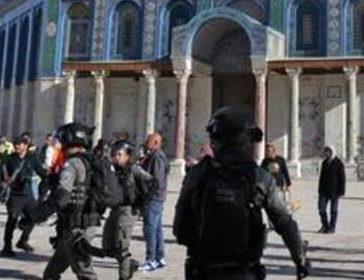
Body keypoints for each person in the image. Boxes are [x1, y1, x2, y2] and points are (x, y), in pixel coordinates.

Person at [173, 107, 309, 279]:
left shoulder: (198, 174)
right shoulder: (260, 178)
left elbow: (179, 229)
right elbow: (284, 222)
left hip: (203, 271)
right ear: (246, 142)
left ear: (216, 140)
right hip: (244, 271)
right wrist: (300, 259)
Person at [35, 122, 100, 280]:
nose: (60, 143)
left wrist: (35, 215)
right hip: (85, 220)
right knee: (52, 271)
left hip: (76, 226)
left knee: (84, 271)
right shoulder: (90, 160)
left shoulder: (72, 163)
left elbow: (62, 198)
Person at [99, 141, 152, 280]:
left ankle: (124, 276)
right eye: (114, 154)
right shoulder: (111, 169)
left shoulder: (134, 169)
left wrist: (143, 201)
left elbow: (152, 181)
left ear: (128, 156)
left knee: (121, 245)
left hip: (129, 210)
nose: (116, 157)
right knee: (108, 246)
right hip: (115, 208)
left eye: (119, 154)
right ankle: (131, 265)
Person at [0, 135, 42, 257]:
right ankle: (7, 247)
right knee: (12, 220)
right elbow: (3, 175)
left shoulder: (32, 158)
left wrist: (51, 176)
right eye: (16, 144)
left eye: (20, 144)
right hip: (15, 194)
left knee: (34, 216)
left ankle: (23, 240)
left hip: (28, 193)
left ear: (26, 146)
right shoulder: (10, 159)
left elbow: (41, 172)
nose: (17, 146)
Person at [138, 132, 169, 273]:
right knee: (156, 228)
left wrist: (147, 197)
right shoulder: (155, 155)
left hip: (154, 198)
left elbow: (156, 180)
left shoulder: (157, 157)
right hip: (157, 197)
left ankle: (151, 260)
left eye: (148, 141)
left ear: (156, 142)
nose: (145, 143)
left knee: (150, 229)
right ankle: (160, 257)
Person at [317, 146, 345, 234]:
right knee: (321, 208)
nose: (326, 153)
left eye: (328, 152)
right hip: (324, 191)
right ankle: (325, 225)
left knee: (333, 210)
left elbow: (342, 178)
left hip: (334, 190)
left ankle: (332, 227)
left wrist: (341, 191)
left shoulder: (338, 163)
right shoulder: (324, 162)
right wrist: (319, 189)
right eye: (325, 151)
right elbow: (321, 177)